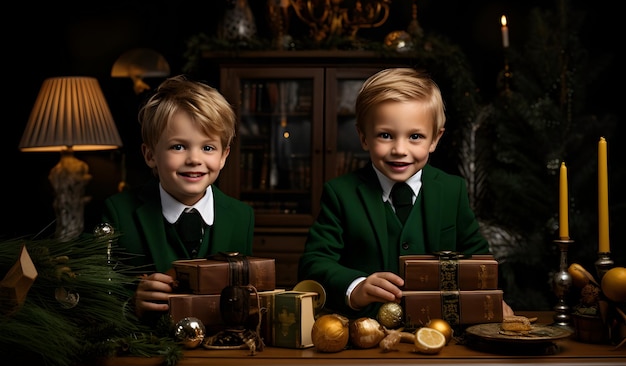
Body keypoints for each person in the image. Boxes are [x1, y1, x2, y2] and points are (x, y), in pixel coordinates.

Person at [298, 67, 513, 319]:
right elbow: (313, 264)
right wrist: (355, 286)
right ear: (363, 137)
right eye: (385, 135)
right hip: (363, 332)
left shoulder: (452, 190)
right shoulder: (340, 193)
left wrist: (489, 298)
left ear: (434, 139)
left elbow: (479, 262)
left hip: (439, 330)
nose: (400, 149)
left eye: (415, 136)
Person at [102, 74, 254, 320]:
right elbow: (96, 291)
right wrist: (130, 302)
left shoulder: (242, 216)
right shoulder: (119, 212)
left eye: (208, 148)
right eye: (178, 146)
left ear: (224, 156)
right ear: (150, 154)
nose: (194, 159)